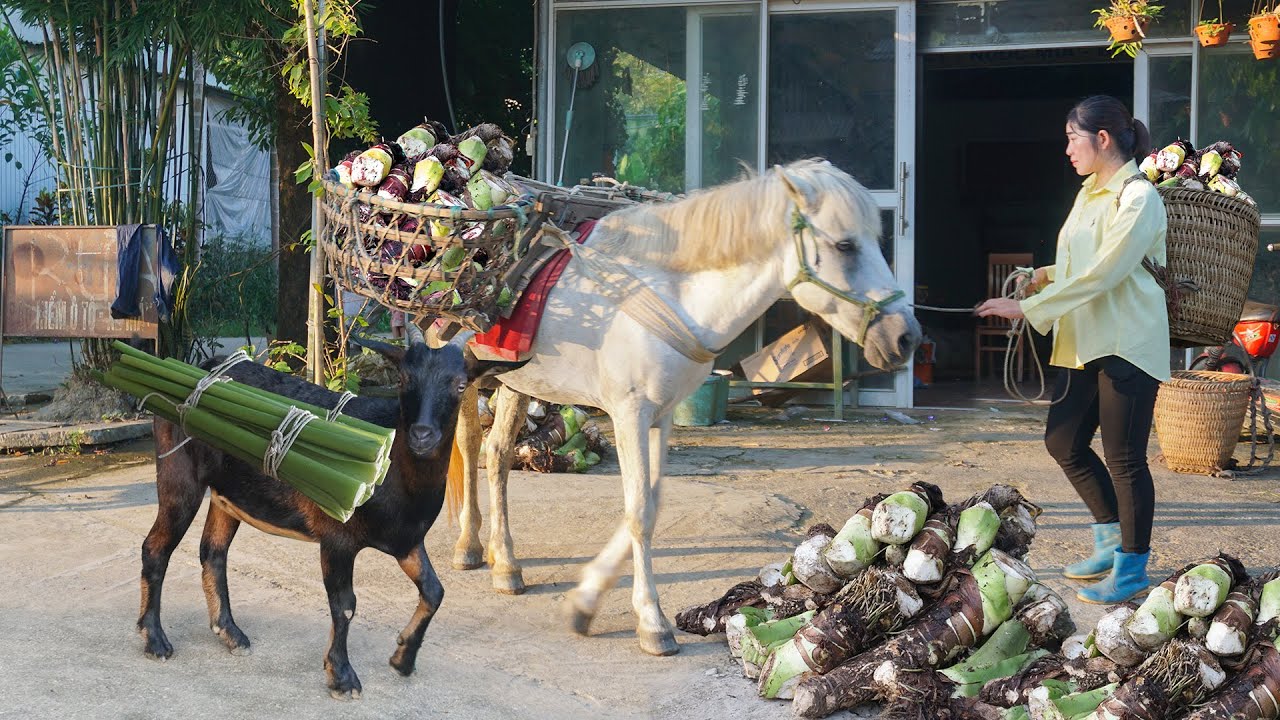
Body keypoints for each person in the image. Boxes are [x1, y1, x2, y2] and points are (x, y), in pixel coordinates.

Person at [976, 95, 1169, 605]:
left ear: (1102, 138)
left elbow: (1109, 271)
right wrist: (1043, 276)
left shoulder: (1138, 197)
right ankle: (1109, 541)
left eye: (1071, 137)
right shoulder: (1089, 194)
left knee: (1125, 459)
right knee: (1063, 441)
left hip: (1127, 340)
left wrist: (1029, 311)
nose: (1066, 149)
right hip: (1084, 340)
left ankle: (1132, 570)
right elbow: (1086, 267)